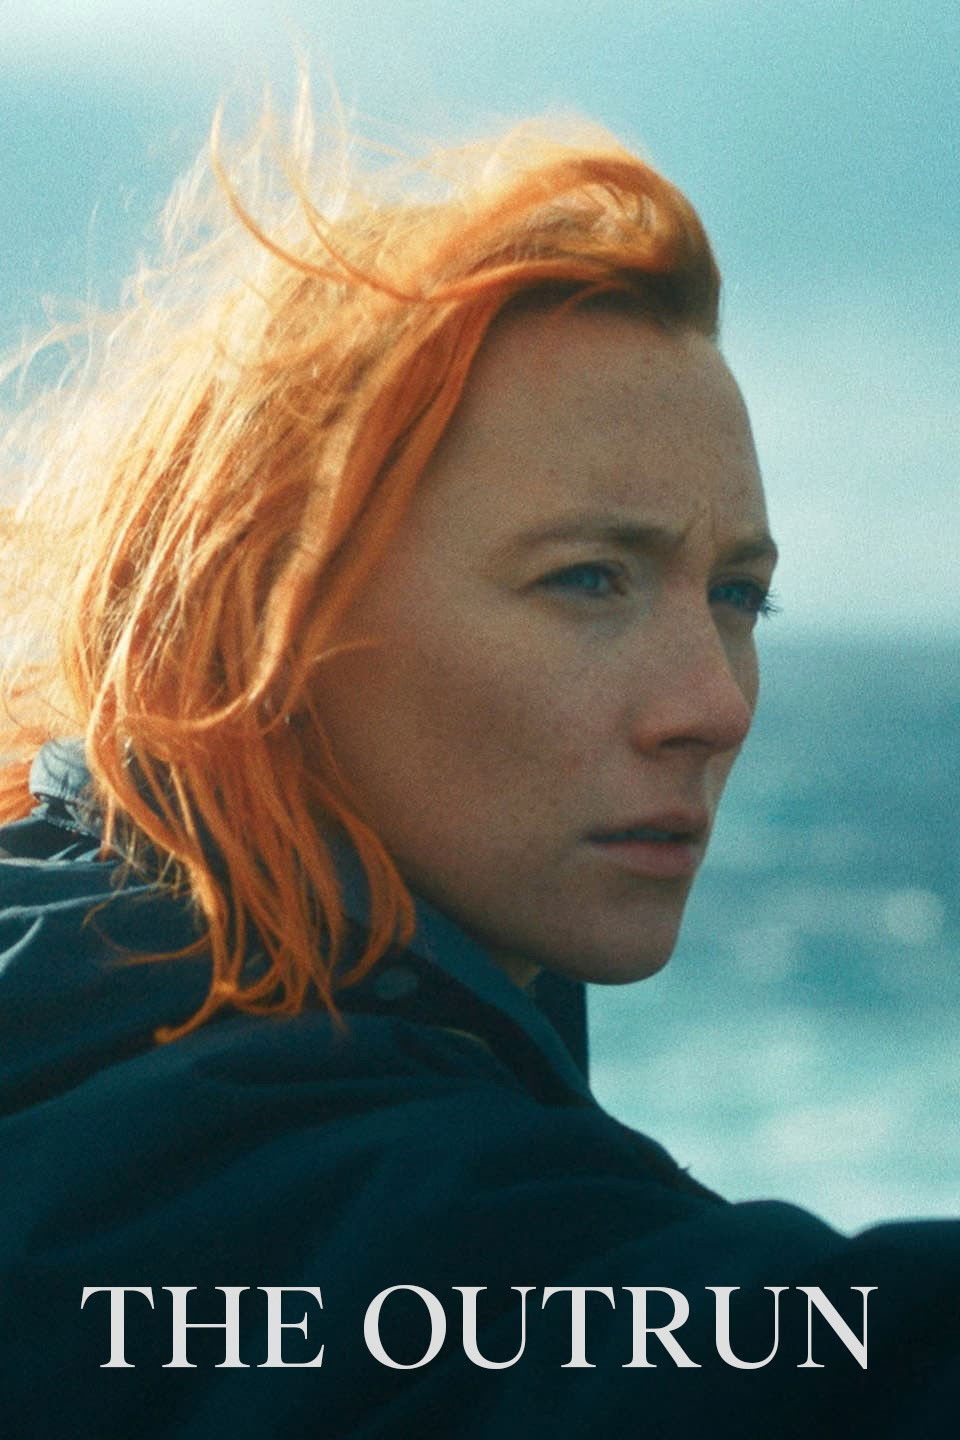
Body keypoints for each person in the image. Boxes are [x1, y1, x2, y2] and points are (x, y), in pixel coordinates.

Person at [0, 98, 956, 1437]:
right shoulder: (219, 1163)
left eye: (739, 595)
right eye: (588, 579)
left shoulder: (68, 978)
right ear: (275, 621)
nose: (713, 705)